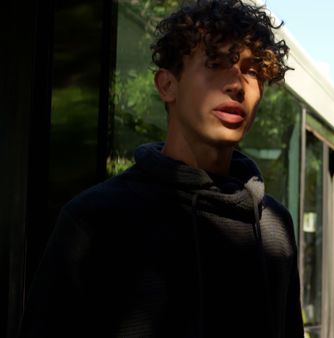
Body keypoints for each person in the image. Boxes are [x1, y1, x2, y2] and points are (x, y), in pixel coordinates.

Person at [18, 1, 303, 337]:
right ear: (167, 85)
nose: (237, 84)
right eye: (215, 63)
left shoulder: (274, 225)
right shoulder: (95, 219)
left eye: (252, 70)